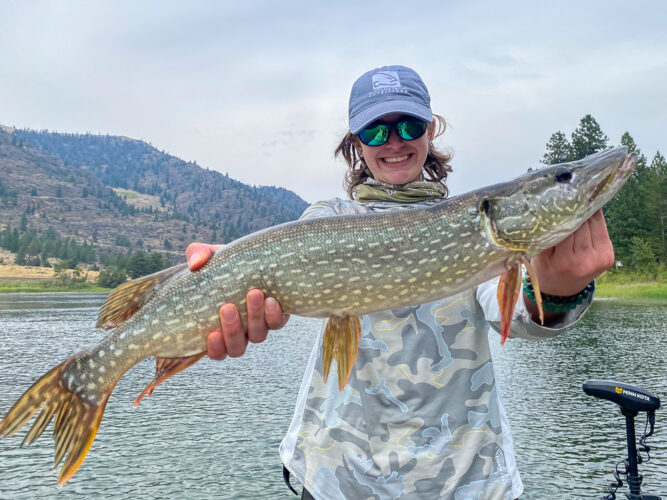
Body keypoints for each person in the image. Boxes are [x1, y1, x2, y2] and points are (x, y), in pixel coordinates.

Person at [186, 65, 614, 499]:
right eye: (375, 131)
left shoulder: (477, 229)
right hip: (339, 478)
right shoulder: (330, 219)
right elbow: (284, 256)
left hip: (464, 481)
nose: (394, 141)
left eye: (409, 125)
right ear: (356, 144)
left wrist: (562, 288)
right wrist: (228, 271)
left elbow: (524, 317)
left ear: (430, 131)